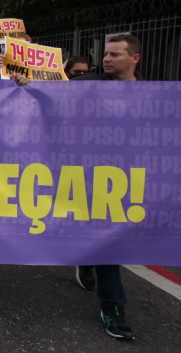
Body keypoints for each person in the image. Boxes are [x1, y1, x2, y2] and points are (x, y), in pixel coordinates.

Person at [70, 34, 141, 341]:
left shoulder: (155, 93)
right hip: (95, 174)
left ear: (134, 58)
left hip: (132, 175)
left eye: (115, 54)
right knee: (108, 237)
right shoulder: (91, 84)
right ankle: (113, 307)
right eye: (106, 54)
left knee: (108, 235)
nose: (107, 58)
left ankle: (86, 259)